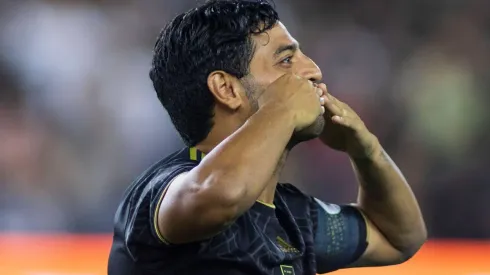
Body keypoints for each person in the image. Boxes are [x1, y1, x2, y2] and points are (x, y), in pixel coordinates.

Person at [107, 1, 427, 274]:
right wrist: (282, 109)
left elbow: (400, 237)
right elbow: (221, 195)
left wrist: (365, 148)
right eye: (286, 60)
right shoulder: (162, 190)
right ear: (227, 89)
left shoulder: (293, 218)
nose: (314, 70)